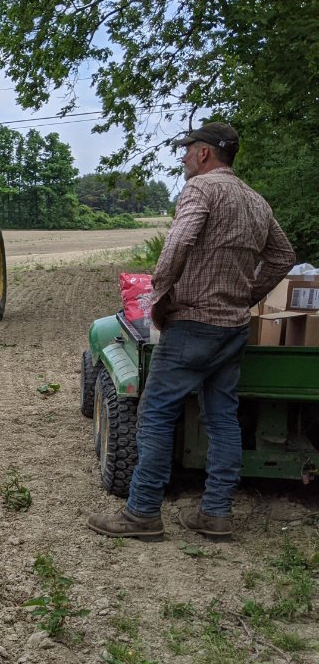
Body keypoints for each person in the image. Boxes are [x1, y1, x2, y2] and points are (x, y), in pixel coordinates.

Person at [88, 122, 295, 539]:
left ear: (204, 154)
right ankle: (215, 513)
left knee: (155, 415)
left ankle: (143, 513)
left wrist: (159, 299)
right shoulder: (255, 201)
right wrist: (246, 295)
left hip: (193, 325)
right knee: (222, 418)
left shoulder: (201, 189)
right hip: (233, 328)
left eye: (187, 149)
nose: (182, 157)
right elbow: (283, 256)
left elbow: (178, 244)